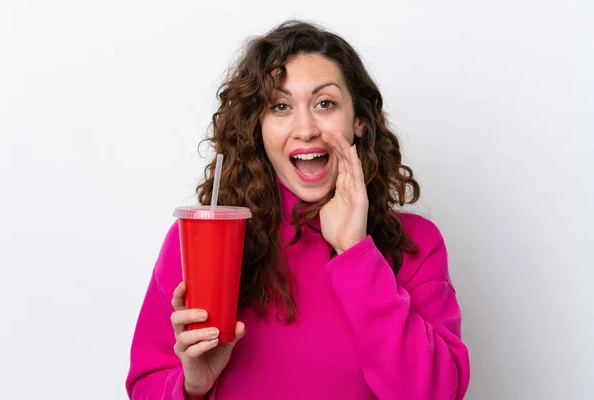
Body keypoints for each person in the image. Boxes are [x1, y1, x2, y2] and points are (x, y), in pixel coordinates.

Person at [125, 20, 470, 400]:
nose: (305, 129)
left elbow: (436, 393)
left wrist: (355, 254)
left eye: (325, 103)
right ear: (258, 126)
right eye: (280, 106)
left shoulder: (415, 245)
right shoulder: (201, 243)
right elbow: (146, 384)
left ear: (358, 120)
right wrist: (192, 387)